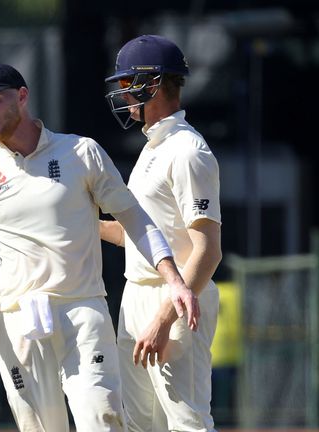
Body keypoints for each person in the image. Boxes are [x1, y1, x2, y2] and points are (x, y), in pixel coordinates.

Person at [0, 63, 200, 432]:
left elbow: (135, 219)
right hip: (18, 319)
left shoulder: (81, 152)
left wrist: (175, 280)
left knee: (102, 418)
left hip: (82, 309)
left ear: (22, 96)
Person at [102, 35, 222, 432]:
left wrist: (164, 318)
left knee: (188, 422)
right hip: (136, 293)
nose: (121, 94)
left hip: (175, 302)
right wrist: (74, 226)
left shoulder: (188, 151)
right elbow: (142, 237)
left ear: (150, 83)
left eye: (125, 84)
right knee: (139, 426)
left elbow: (207, 251)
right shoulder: (153, 147)